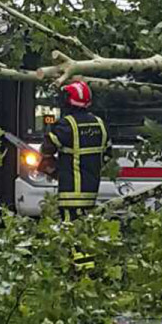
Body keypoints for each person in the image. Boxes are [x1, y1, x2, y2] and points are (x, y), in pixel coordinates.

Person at [39, 80, 111, 222]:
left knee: (70, 232)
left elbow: (48, 148)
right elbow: (107, 156)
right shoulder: (100, 124)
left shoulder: (67, 125)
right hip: (91, 193)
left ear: (68, 101)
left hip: (70, 194)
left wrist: (50, 165)